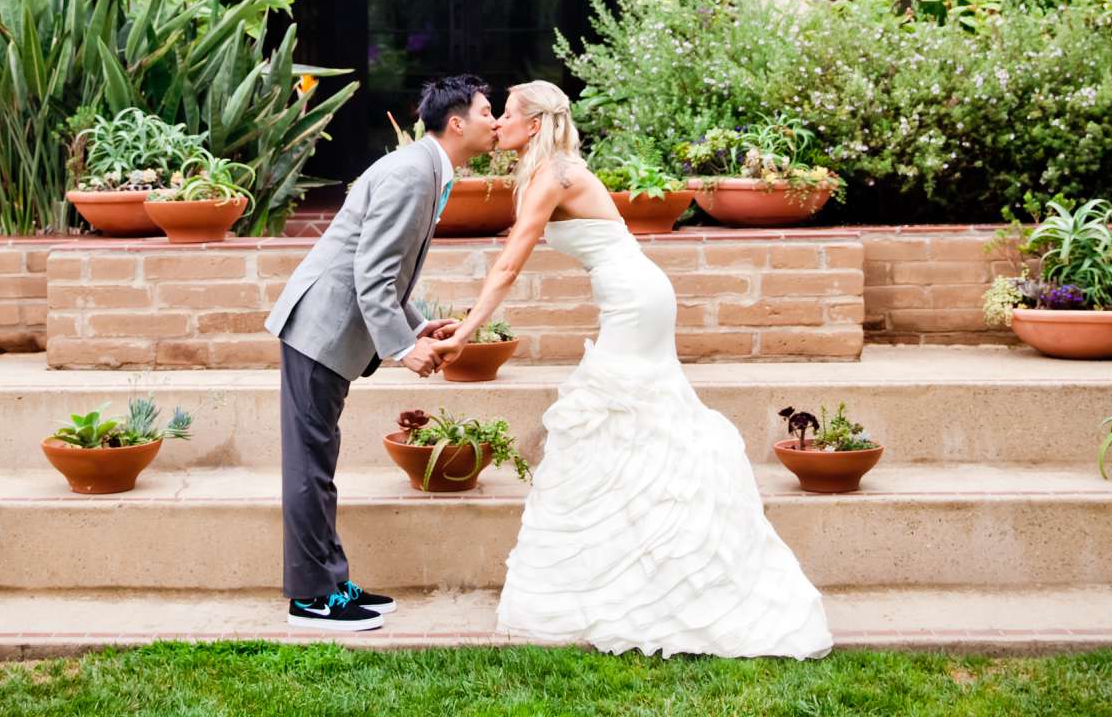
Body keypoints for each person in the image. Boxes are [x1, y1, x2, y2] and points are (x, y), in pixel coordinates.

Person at [445, 78, 831, 658]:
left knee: (620, 415)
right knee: (626, 423)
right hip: (634, 292)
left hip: (634, 299)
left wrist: (467, 330)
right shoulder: (552, 168)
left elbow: (507, 267)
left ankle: (668, 574)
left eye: (506, 113)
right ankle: (634, 569)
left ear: (533, 125)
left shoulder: (554, 175)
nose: (497, 121)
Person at [264, 74, 496, 631]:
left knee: (318, 461)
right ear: (457, 122)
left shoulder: (426, 169)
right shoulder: (413, 174)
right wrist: (402, 349)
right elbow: (371, 272)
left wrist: (418, 325)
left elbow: (384, 271)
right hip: (319, 328)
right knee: (309, 466)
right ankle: (312, 598)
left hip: (330, 328)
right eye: (489, 111)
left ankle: (331, 582)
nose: (496, 121)